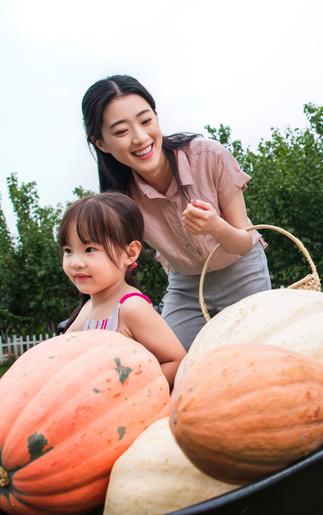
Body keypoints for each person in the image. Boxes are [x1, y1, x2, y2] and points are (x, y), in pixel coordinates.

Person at [80, 75, 271, 351]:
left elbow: (243, 244)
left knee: (256, 357)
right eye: (121, 131)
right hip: (185, 286)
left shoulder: (209, 156)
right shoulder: (119, 201)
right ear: (101, 143)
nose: (140, 138)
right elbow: (109, 271)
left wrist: (215, 226)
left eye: (146, 121)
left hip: (242, 271)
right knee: (170, 359)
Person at [60, 192, 186, 389]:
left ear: (130, 253)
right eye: (68, 250)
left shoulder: (131, 307)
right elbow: (62, 359)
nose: (76, 262)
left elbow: (177, 361)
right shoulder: (88, 307)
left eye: (89, 249)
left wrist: (132, 394)